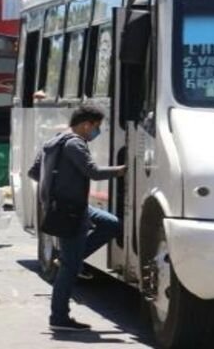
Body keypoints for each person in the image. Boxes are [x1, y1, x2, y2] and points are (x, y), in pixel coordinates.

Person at [28, 105, 125, 332]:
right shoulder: (75, 144)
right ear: (86, 124)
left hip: (70, 207)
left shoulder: (55, 141)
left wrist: (57, 187)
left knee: (111, 224)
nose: (96, 132)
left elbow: (34, 172)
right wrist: (122, 170)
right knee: (69, 270)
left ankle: (69, 258)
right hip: (71, 211)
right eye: (96, 127)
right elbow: (93, 172)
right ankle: (59, 316)